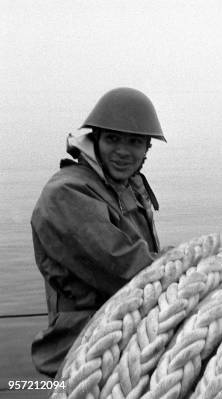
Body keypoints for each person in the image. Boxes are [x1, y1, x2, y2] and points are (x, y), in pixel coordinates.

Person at [31, 87, 167, 377]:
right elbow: (130, 271)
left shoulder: (128, 185)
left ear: (147, 149)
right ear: (95, 139)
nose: (122, 151)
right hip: (83, 353)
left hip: (130, 344)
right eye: (112, 139)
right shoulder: (67, 193)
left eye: (134, 142)